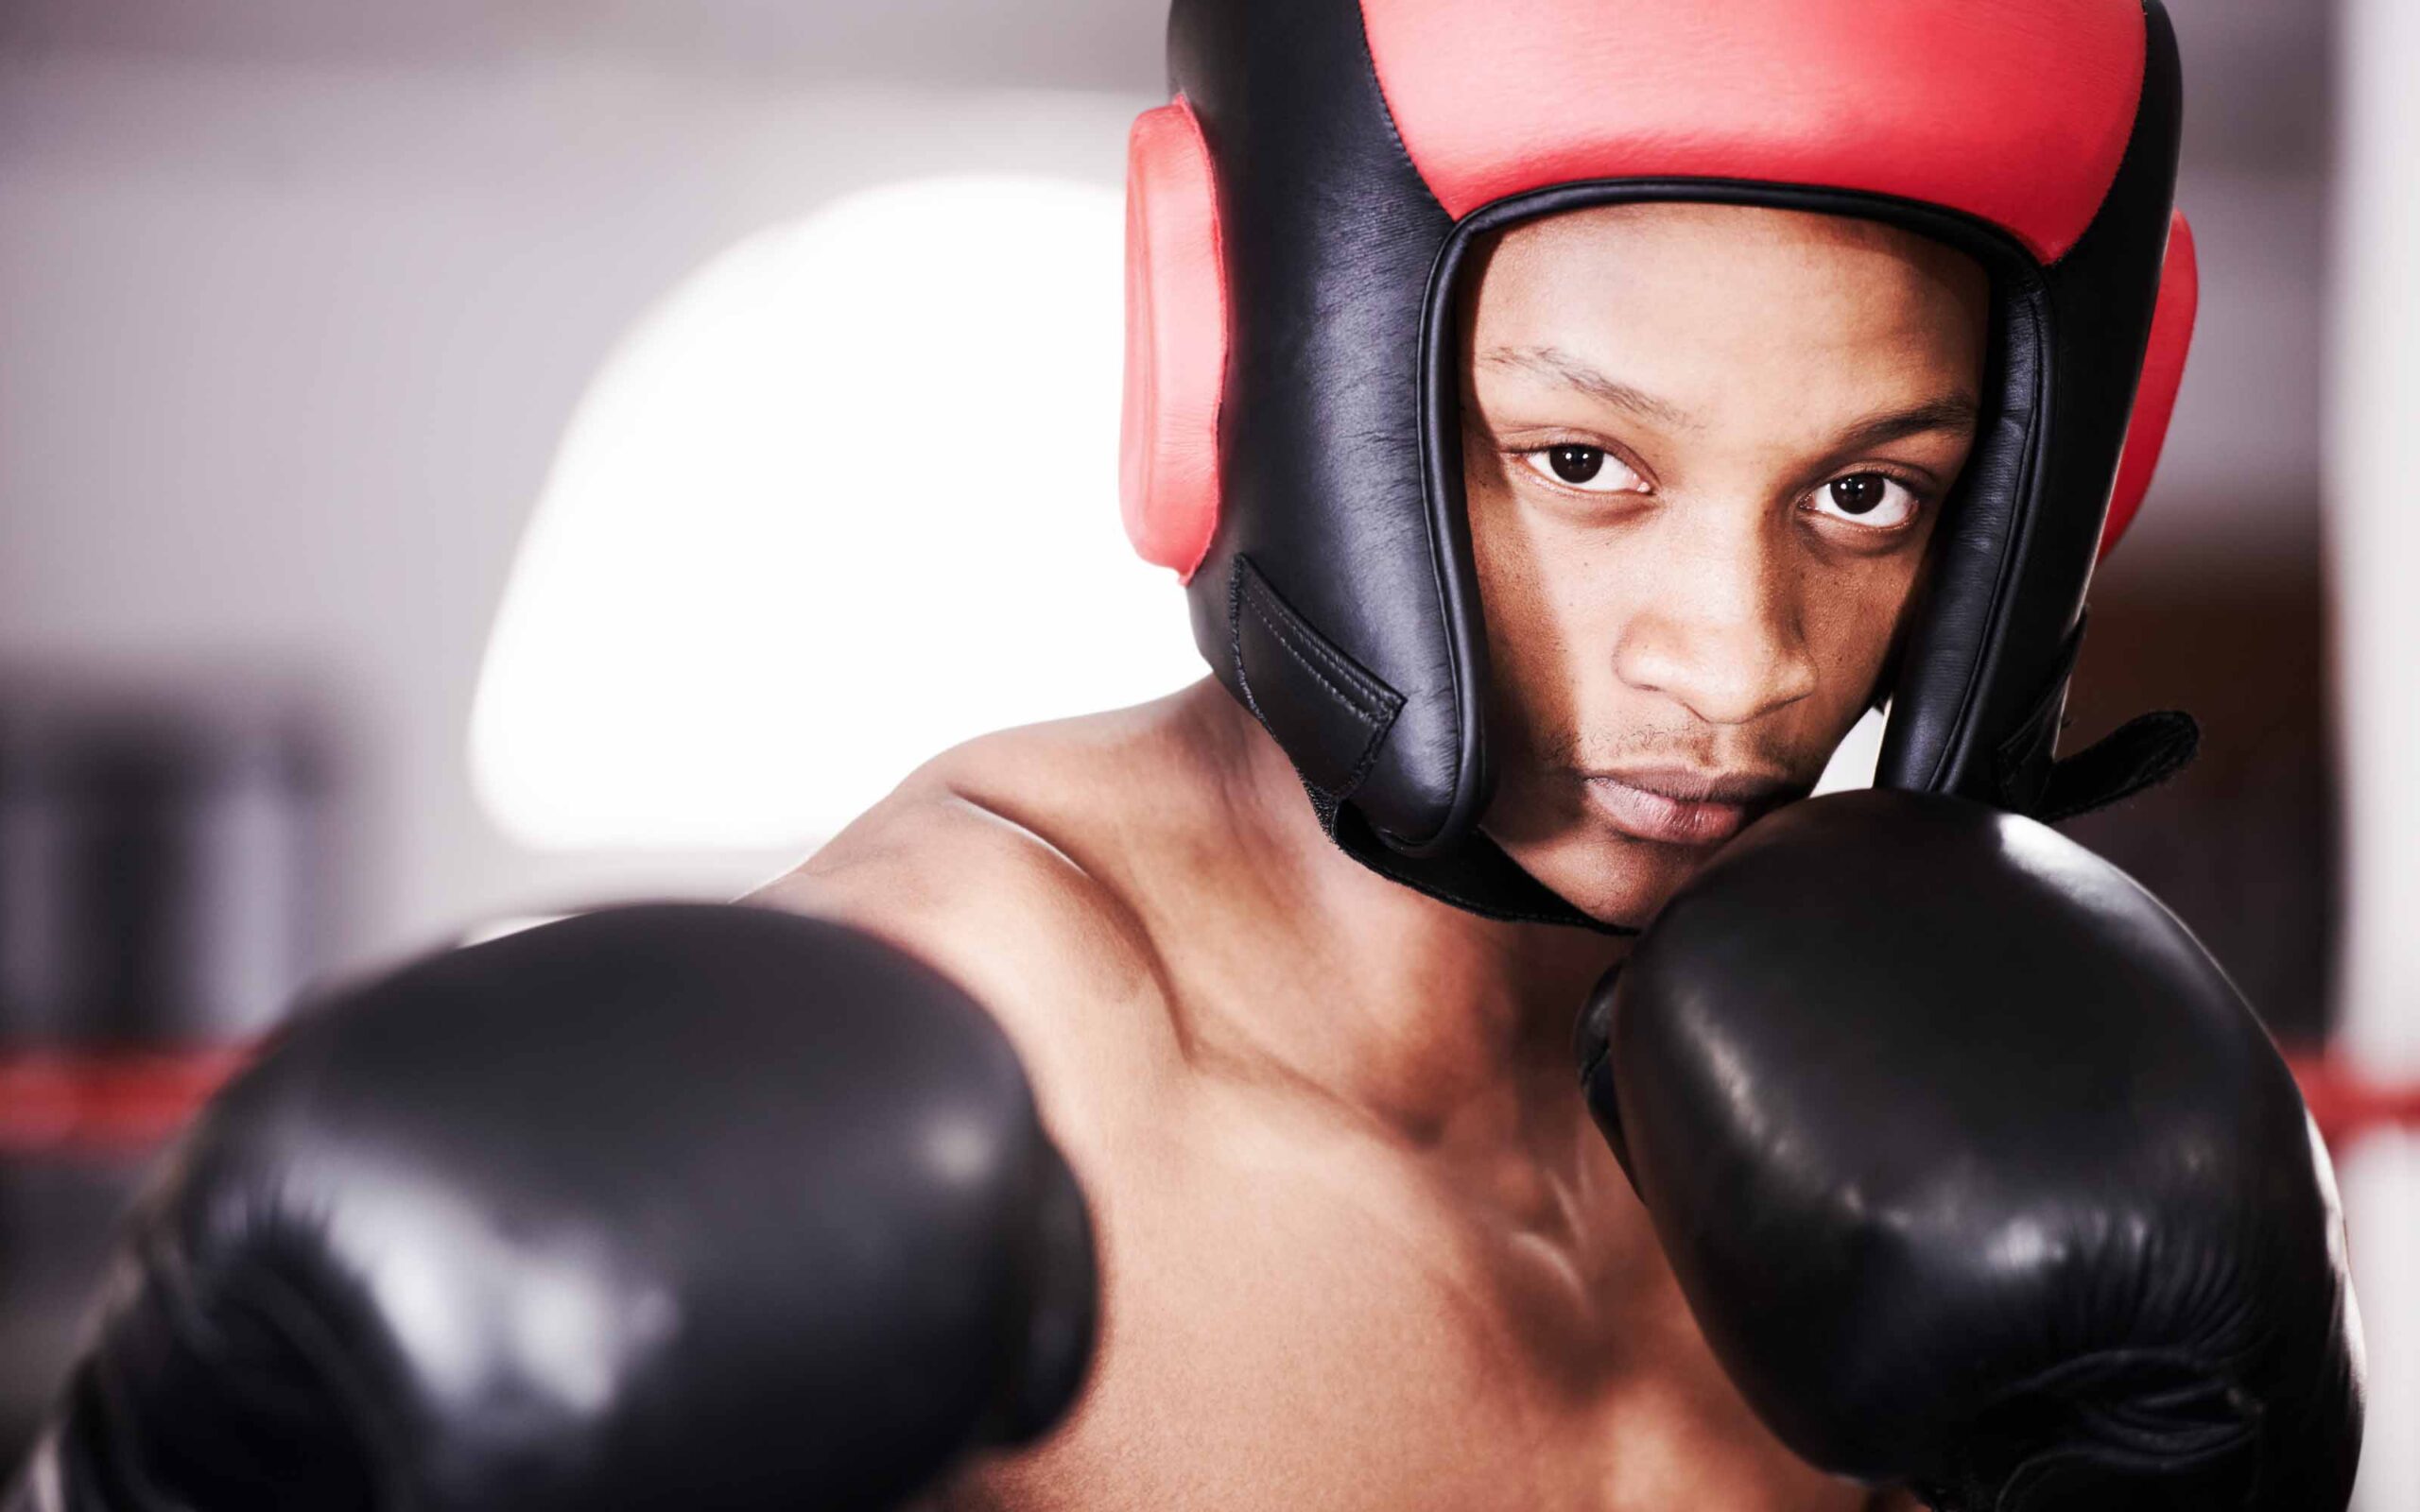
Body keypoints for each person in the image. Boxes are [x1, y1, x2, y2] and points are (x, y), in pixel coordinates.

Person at [4, 2, 2362, 1509]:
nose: (1739, 666)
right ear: (1282, 379)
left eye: (1864, 493)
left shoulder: (1951, 1107)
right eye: (1578, 463)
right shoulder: (982, 1047)